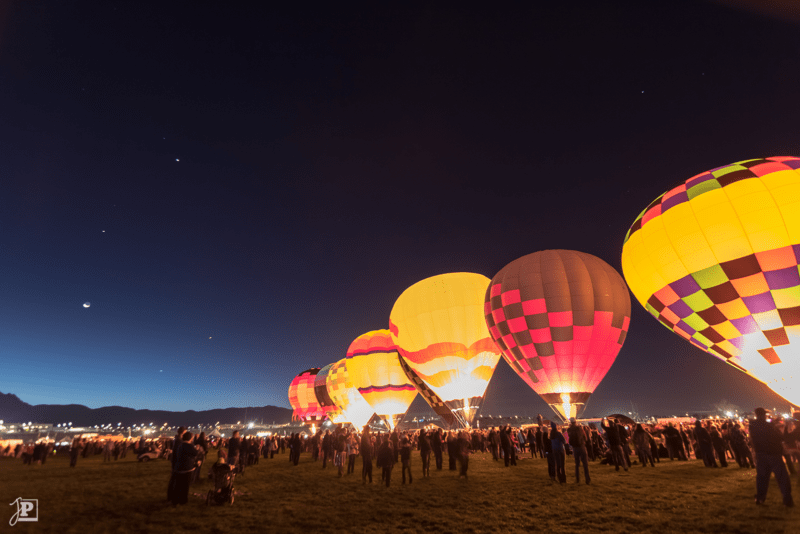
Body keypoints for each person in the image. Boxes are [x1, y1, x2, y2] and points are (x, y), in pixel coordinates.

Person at [750, 408, 793, 507]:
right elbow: (780, 437)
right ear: (764, 415)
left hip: (760, 454)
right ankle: (787, 500)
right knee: (782, 478)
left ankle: (760, 498)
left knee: (762, 478)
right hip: (773, 454)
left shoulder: (752, 425)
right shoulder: (769, 426)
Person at [171, 432, 199, 506]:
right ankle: (183, 500)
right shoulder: (189, 445)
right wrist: (197, 448)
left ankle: (175, 500)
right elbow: (195, 453)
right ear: (190, 438)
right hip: (187, 468)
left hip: (179, 467)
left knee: (178, 485)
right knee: (185, 486)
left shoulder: (181, 445)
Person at [567, 418, 591, 484]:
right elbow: (585, 437)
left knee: (577, 465)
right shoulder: (580, 428)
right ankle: (587, 479)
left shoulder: (569, 430)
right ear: (575, 421)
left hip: (575, 448)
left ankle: (577, 479)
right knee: (585, 464)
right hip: (582, 447)